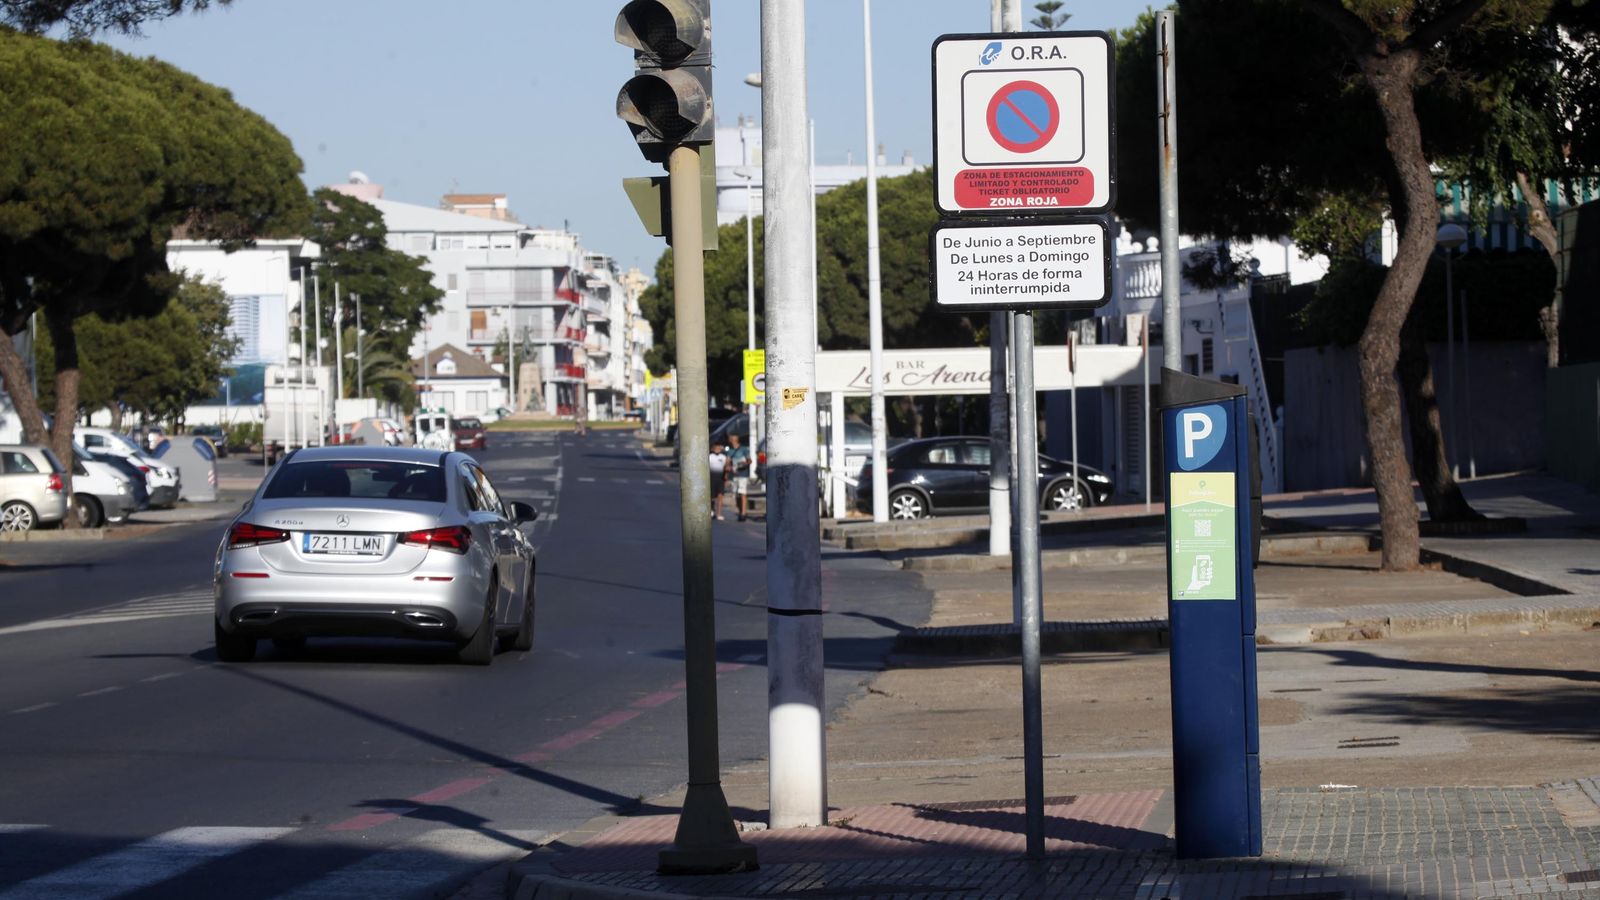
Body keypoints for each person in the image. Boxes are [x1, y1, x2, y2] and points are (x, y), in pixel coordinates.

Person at [726, 433, 752, 521]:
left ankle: (743, 513)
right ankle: (740, 511)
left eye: (730, 438)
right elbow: (728, 462)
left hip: (743, 474)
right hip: (734, 475)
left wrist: (743, 463)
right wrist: (728, 468)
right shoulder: (730, 451)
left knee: (742, 493)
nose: (729, 439)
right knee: (736, 494)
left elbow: (749, 460)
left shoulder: (743, 449)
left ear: (734, 439)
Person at [708, 441, 729, 520]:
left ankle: (719, 513)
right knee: (711, 497)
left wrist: (726, 477)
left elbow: (727, 468)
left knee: (720, 496)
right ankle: (711, 510)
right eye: (716, 448)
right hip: (711, 478)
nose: (717, 449)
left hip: (720, 478)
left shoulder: (724, 457)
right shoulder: (710, 456)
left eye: (719, 447)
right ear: (713, 448)